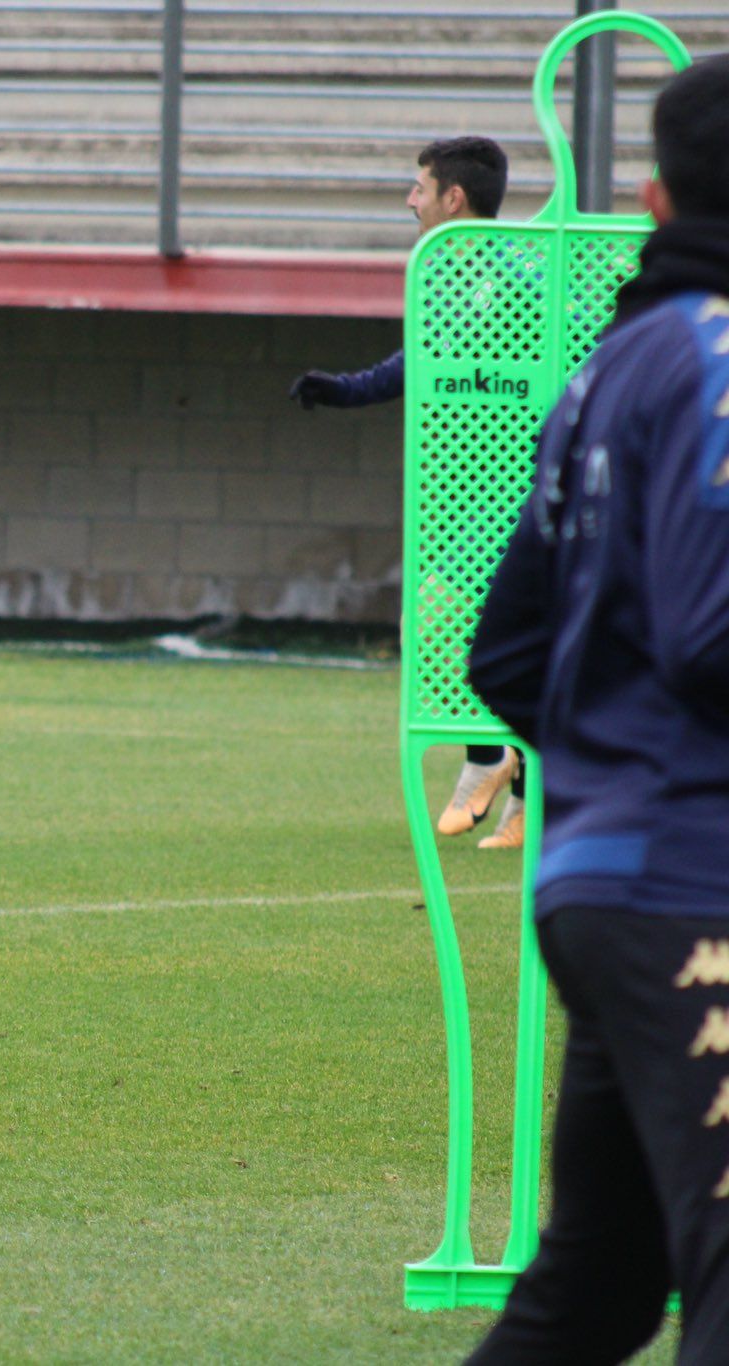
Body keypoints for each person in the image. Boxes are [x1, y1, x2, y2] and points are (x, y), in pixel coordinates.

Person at [462, 54, 729, 1362]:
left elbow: (505, 652)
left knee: (601, 1291)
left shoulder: (610, 366)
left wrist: (613, 779)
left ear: (654, 196)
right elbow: (712, 634)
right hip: (699, 892)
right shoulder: (719, 355)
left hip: (606, 884)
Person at [288, 136, 528, 850]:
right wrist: (348, 389)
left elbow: (582, 335)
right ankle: (518, 782)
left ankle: (490, 761)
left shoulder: (517, 272)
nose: (409, 199)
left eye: (418, 187)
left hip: (512, 486)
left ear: (454, 198)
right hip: (461, 488)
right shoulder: (443, 275)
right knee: (472, 632)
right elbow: (417, 361)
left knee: (445, 626)